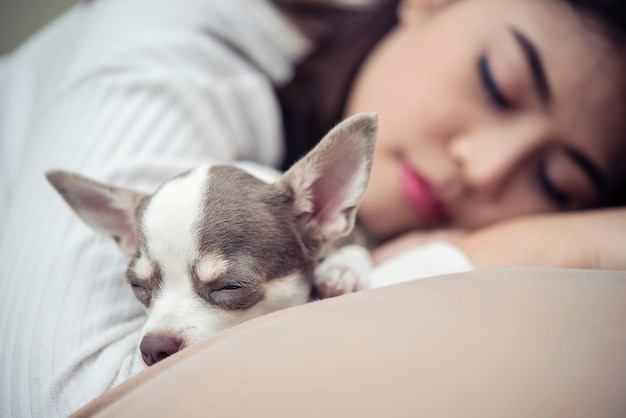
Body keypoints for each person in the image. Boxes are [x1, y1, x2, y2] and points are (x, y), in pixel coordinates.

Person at [0, 0, 624, 416]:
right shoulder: (176, 32)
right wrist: (490, 253)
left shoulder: (325, 223)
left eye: (557, 182)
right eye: (498, 81)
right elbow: (80, 401)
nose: (483, 165)